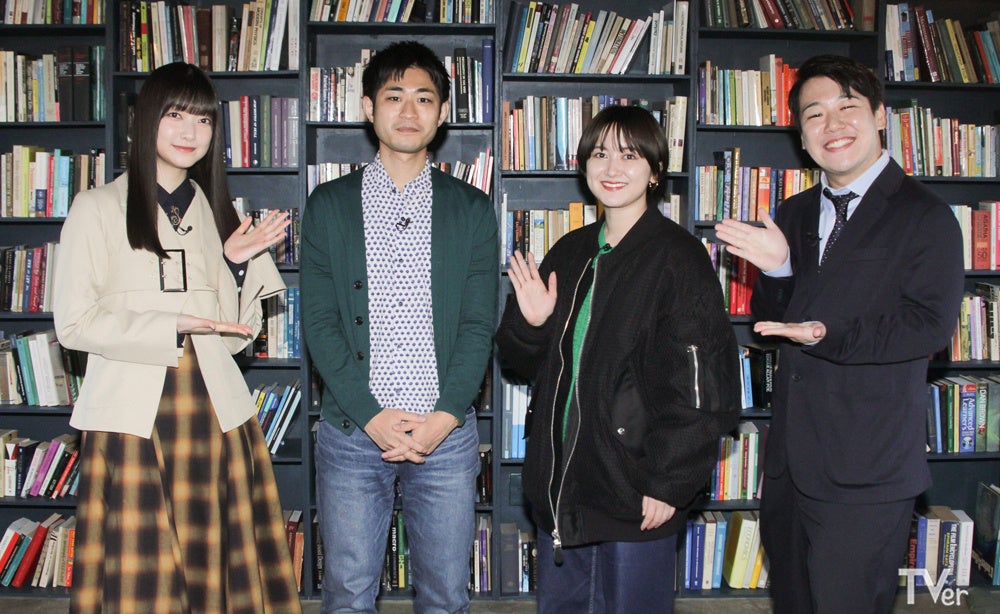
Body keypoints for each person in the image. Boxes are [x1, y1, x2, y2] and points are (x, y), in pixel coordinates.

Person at [715, 54, 964, 613]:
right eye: (814, 115)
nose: (832, 124)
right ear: (802, 138)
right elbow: (772, 320)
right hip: (789, 464)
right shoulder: (794, 213)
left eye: (847, 107)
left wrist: (825, 334)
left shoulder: (926, 217)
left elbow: (927, 327)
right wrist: (778, 270)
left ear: (878, 116)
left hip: (867, 468)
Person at [52, 62, 300, 613]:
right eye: (176, 115)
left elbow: (236, 337)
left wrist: (235, 264)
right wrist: (171, 326)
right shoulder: (96, 207)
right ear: (146, 121)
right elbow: (72, 324)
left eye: (204, 120)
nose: (191, 132)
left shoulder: (218, 212)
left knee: (218, 561)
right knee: (142, 577)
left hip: (212, 408)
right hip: (131, 413)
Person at [495, 105, 742, 613]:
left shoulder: (678, 257)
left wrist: (670, 482)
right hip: (562, 486)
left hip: (636, 488)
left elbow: (703, 385)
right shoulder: (569, 251)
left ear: (655, 171)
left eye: (629, 156)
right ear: (583, 165)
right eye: (600, 154)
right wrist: (533, 324)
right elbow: (519, 364)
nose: (612, 168)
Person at [300, 41, 498, 613]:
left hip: (445, 434)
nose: (409, 111)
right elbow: (319, 321)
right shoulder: (329, 204)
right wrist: (370, 415)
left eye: (423, 98)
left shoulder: (470, 208)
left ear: (442, 113)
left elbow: (478, 323)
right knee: (348, 593)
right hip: (352, 430)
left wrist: (446, 416)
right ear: (368, 108)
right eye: (393, 97)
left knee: (445, 595)